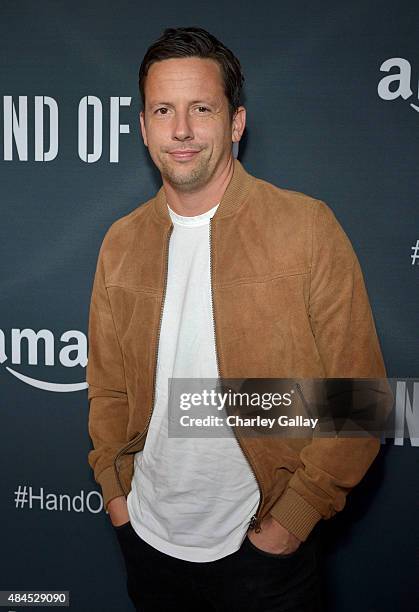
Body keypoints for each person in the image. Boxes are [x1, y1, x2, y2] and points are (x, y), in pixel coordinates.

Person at [86, 26, 387, 611]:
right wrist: (119, 501)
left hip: (265, 559)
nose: (181, 130)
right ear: (144, 127)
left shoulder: (305, 229)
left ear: (236, 122)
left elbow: (360, 400)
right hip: (147, 543)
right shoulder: (120, 243)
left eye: (201, 108)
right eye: (163, 110)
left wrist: (289, 524)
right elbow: (108, 392)